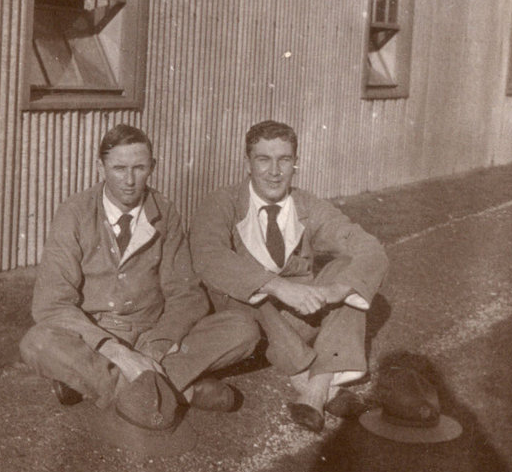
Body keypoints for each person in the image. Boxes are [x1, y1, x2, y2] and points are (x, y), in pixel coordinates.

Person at [20, 124, 260, 432]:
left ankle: (98, 383)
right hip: (93, 336)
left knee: (244, 329)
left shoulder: (166, 212)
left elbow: (185, 294)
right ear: (100, 166)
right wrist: (115, 350)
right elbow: (52, 304)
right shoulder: (74, 212)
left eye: (139, 168)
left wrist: (158, 345)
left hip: (151, 332)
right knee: (37, 342)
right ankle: (180, 391)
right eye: (119, 168)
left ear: (153, 167)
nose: (130, 180)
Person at [189, 120, 389, 433]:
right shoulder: (221, 202)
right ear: (248, 163)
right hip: (249, 322)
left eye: (284, 160)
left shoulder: (308, 205)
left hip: (300, 319)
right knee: (236, 286)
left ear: (295, 163)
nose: (274, 171)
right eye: (263, 159)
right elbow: (208, 258)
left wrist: (339, 288)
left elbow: (369, 248)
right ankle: (311, 378)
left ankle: (316, 388)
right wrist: (279, 287)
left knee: (347, 267)